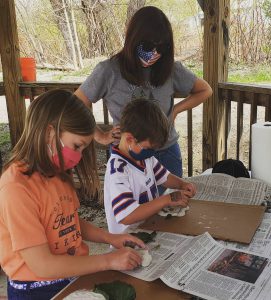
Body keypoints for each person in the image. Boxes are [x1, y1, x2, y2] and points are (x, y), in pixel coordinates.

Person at [0, 89, 145, 300]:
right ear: (50, 133)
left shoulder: (57, 173)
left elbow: (70, 221)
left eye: (83, 149)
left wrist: (110, 238)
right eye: (76, 146)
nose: (77, 157)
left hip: (71, 277)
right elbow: (43, 265)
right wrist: (108, 260)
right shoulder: (16, 187)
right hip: (36, 289)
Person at [75, 6, 212, 183]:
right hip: (126, 155)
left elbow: (205, 90)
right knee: (133, 208)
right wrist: (100, 135)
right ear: (133, 39)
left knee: (173, 206)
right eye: (147, 46)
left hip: (166, 151)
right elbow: (78, 100)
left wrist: (175, 110)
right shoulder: (109, 70)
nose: (154, 53)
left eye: (161, 47)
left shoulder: (171, 69)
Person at [104, 99, 196, 234]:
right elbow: (127, 215)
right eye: (148, 148)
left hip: (149, 228)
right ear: (130, 139)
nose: (152, 153)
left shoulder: (145, 158)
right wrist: (167, 199)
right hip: (128, 240)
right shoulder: (118, 171)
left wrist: (182, 184)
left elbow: (164, 177)